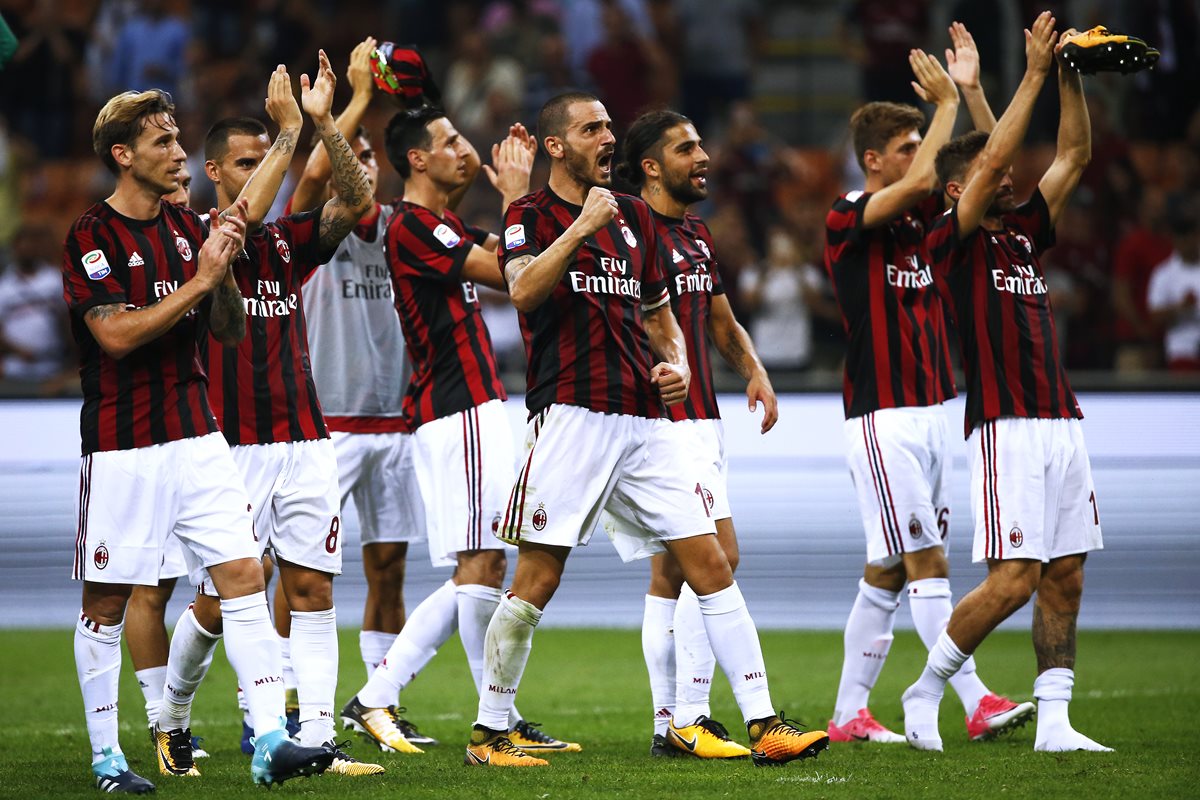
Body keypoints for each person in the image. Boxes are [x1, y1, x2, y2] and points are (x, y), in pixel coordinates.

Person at [465, 91, 828, 768]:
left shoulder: (633, 216)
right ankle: (489, 733)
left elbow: (660, 313)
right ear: (555, 147)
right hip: (572, 414)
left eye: (608, 126)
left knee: (713, 562)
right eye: (590, 128)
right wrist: (578, 229)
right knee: (538, 577)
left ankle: (763, 722)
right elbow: (521, 290)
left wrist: (680, 366)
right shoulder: (531, 215)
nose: (607, 136)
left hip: (648, 418)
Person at [61, 88, 334, 793]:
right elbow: (116, 336)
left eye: (178, 139)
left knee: (243, 576)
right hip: (124, 444)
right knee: (108, 602)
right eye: (161, 142)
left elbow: (246, 221)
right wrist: (205, 280)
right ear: (123, 155)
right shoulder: (92, 235)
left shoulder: (185, 228)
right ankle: (107, 759)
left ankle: (271, 738)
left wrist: (291, 132)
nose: (178, 153)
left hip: (199, 434)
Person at [148, 56, 383, 778]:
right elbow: (242, 220)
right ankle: (172, 718)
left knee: (312, 589)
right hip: (229, 448)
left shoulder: (284, 246)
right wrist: (286, 138)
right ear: (216, 172)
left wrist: (320, 126)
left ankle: (314, 737)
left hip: (307, 441)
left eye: (267, 158)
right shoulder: (190, 241)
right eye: (248, 162)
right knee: (219, 603)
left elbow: (358, 203)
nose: (266, 172)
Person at [342, 106, 579, 756]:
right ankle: (378, 696)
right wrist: (512, 194)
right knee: (482, 564)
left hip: (463, 409)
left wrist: (508, 188)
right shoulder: (415, 227)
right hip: (457, 406)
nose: (462, 150)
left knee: (482, 566)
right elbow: (513, 277)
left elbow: (512, 255)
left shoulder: (444, 224)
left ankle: (495, 715)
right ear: (416, 159)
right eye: (446, 141)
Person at [823, 30, 1032, 745]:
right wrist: (943, 103)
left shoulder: (929, 222)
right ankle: (971, 698)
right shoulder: (849, 212)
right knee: (926, 561)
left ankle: (848, 712)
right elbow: (921, 180)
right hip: (881, 417)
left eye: (923, 143)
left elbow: (986, 164)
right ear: (875, 159)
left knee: (885, 569)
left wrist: (970, 94)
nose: (923, 158)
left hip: (933, 410)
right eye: (909, 146)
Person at [907, 12, 1108, 753]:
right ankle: (925, 689)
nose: (1010, 177)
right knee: (1014, 577)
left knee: (1065, 577)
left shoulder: (1022, 231)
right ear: (958, 187)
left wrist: (1066, 77)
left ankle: (1055, 722)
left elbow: (1076, 153)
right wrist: (1020, 77)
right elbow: (993, 160)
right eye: (990, 174)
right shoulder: (948, 240)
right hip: (1006, 425)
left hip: (1061, 419)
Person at [613, 109, 779, 760]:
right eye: (687, 148)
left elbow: (720, 319)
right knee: (719, 558)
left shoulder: (697, 234)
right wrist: (650, 372)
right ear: (652, 166)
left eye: (701, 144)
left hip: (703, 418)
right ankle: (693, 715)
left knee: (671, 575)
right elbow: (609, 317)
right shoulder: (626, 229)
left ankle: (668, 726)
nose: (703, 155)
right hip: (659, 422)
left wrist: (755, 370)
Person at [289, 44, 430, 736]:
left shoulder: (401, 232)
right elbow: (318, 169)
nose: (363, 166)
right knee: (303, 572)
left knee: (389, 571)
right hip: (331, 424)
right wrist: (360, 97)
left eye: (372, 158)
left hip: (395, 424)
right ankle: (286, 704)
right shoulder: (314, 233)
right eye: (356, 156)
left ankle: (381, 705)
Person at [1147, 196, 1200, 371]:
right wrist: (1179, 307)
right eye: (1181, 236)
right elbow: (1154, 315)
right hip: (1182, 352)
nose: (1187, 241)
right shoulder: (1164, 273)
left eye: (1190, 235)